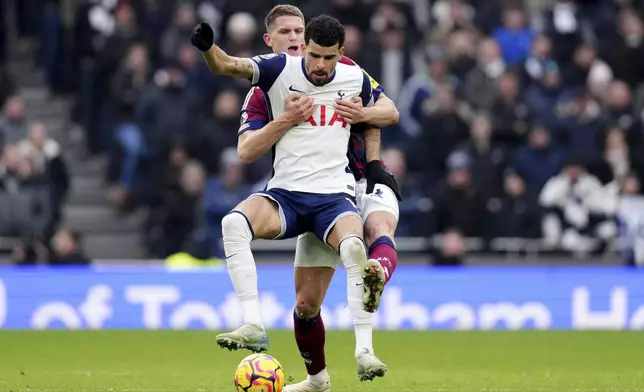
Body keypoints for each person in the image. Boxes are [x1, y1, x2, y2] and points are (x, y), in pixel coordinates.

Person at [191, 12, 400, 391]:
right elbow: (226, 65)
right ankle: (254, 325)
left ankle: (365, 351)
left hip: (335, 197)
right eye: (313, 55)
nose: (320, 65)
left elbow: (389, 113)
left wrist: (364, 115)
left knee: (355, 247)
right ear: (272, 40)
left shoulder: (354, 74)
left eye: (327, 57)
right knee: (233, 224)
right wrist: (208, 47)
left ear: (338, 52)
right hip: (286, 194)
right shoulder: (274, 73)